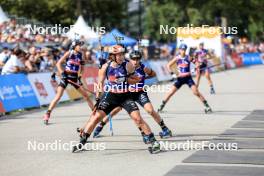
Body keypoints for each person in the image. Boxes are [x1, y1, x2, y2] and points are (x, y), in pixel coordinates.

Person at [73, 45, 160, 153]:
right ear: (112, 56)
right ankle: (82, 142)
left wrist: (125, 79)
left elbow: (137, 79)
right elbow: (99, 84)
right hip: (111, 96)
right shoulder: (105, 67)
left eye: (122, 54)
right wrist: (97, 99)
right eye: (119, 55)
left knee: (137, 118)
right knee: (96, 118)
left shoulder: (128, 65)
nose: (122, 56)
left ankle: (154, 142)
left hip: (125, 96)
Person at [93, 50, 172, 139]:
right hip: (127, 94)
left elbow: (153, 74)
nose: (135, 61)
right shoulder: (126, 67)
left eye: (137, 59)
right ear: (130, 59)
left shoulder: (143, 67)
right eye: (133, 59)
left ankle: (165, 129)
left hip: (139, 92)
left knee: (150, 110)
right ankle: (99, 127)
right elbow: (114, 76)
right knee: (114, 111)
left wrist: (144, 78)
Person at [42, 40, 94, 125]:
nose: (80, 47)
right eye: (79, 45)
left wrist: (80, 77)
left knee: (86, 96)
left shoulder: (81, 55)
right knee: (58, 96)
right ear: (74, 46)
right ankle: (47, 113)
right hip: (66, 77)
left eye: (81, 45)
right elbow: (58, 64)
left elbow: (82, 68)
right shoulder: (69, 53)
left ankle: (94, 113)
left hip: (74, 78)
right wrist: (62, 74)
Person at [157, 44, 212, 113]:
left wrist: (194, 69)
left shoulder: (188, 57)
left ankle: (207, 106)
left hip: (188, 78)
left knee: (196, 92)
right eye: (182, 50)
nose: (183, 51)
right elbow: (168, 65)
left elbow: (198, 64)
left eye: (184, 50)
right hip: (180, 79)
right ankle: (161, 107)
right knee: (170, 93)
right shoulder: (177, 58)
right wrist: (172, 74)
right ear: (179, 50)